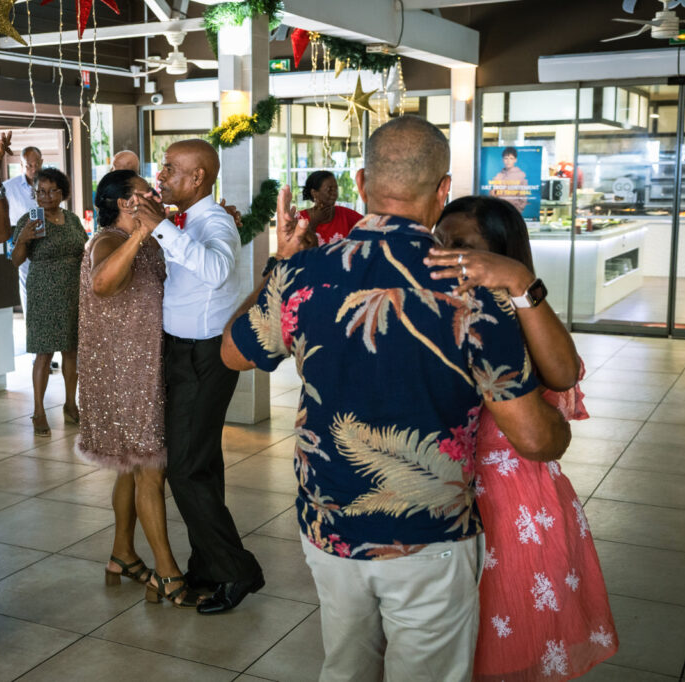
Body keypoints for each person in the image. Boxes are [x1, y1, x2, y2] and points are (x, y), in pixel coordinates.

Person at [221, 116, 572, 680]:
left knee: (345, 666)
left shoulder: (303, 274)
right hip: (428, 533)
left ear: (361, 183)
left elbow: (233, 353)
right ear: (442, 190)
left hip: (328, 523)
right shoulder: (473, 293)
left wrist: (280, 266)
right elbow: (535, 439)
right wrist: (560, 424)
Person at [426, 195, 618, 680]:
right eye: (439, 241)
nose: (445, 254)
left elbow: (563, 373)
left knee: (513, 634)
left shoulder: (516, 307)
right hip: (445, 494)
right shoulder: (436, 305)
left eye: (461, 244)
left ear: (501, 252)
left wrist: (519, 282)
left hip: (514, 503)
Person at [132, 139, 263, 615]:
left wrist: (162, 227)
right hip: (181, 351)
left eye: (170, 168)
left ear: (198, 178)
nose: (161, 175)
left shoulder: (215, 222)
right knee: (201, 463)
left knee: (186, 468)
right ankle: (208, 566)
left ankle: (237, 570)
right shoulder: (187, 220)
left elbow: (216, 268)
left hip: (203, 357)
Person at [76, 169, 201, 607]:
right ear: (124, 203)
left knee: (131, 466)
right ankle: (166, 572)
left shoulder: (148, 241)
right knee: (150, 468)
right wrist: (139, 234)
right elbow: (102, 283)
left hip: (146, 364)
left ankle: (122, 554)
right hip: (124, 373)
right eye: (144, 191)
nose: (154, 193)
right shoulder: (106, 241)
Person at [10, 167, 87, 436]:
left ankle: (70, 404)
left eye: (52, 191)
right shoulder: (28, 221)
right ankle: (39, 411)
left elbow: (84, 250)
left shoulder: (72, 220)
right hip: (43, 291)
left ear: (62, 193)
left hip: (73, 290)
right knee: (43, 352)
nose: (46, 196)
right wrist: (23, 239)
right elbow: (16, 260)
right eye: (40, 191)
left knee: (71, 350)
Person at [4, 146, 44, 312]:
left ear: (42, 162)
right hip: (22, 244)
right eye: (29, 166)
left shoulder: (48, 183)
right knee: (27, 284)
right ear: (22, 165)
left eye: (36, 165)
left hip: (46, 242)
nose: (33, 169)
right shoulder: (9, 187)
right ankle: (30, 322)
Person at [297, 170, 363, 245]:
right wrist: (314, 222)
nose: (334, 193)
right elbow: (297, 247)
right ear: (314, 193)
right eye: (330, 190)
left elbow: (369, 225)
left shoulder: (345, 214)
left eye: (336, 189)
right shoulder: (299, 218)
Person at [487, 146, 529, 212]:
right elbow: (492, 195)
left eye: (511, 158)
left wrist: (516, 212)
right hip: (499, 211)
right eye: (506, 158)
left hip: (513, 211)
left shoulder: (521, 175)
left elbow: (523, 199)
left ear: (515, 160)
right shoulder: (498, 176)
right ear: (503, 160)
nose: (508, 161)